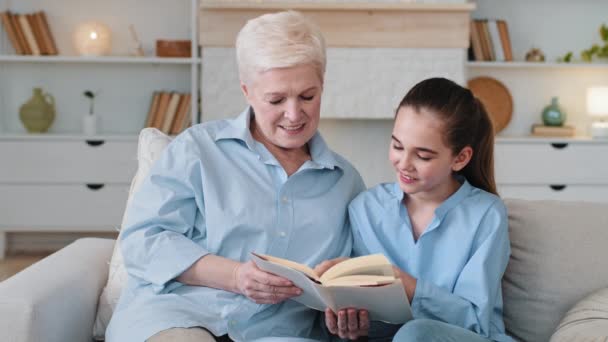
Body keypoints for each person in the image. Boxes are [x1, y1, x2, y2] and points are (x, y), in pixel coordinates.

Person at [105, 10, 365, 342]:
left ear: (322, 85)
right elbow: (143, 242)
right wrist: (235, 275)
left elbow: (351, 282)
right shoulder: (197, 150)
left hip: (278, 334)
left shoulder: (345, 183)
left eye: (307, 96)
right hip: (178, 317)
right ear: (247, 91)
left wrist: (348, 317)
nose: (294, 113)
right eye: (276, 99)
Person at [319, 78, 513, 342]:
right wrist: (354, 326)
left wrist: (405, 285)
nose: (404, 164)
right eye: (397, 146)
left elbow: (475, 323)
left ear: (460, 158)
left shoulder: (486, 215)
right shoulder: (366, 209)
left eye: (423, 156)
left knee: (416, 334)